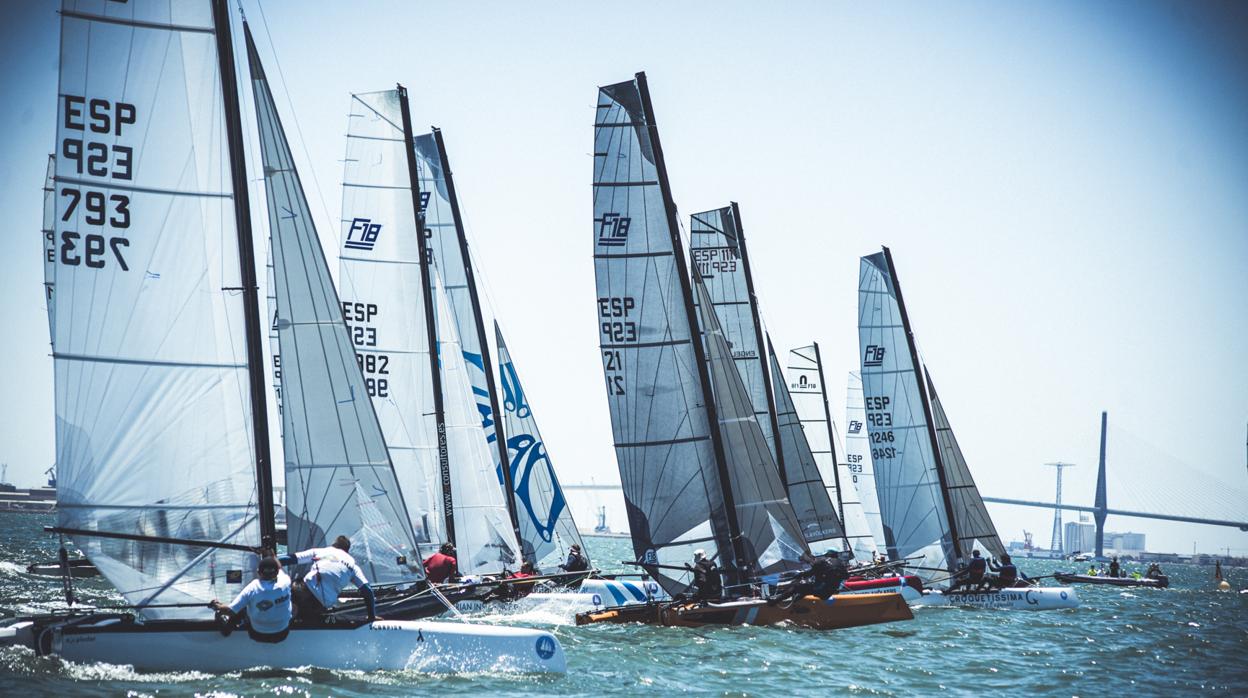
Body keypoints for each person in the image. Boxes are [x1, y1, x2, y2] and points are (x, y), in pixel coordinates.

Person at [280, 535, 377, 623]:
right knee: (308, 614)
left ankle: (284, 613)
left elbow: (291, 558)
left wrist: (270, 562)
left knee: (296, 582)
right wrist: (371, 617)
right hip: (320, 604)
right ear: (347, 551)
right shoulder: (353, 567)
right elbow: (367, 591)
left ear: (334, 545)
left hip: (303, 591)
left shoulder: (321, 551)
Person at [209, 556, 292, 642]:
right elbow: (279, 566)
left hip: (258, 634)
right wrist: (270, 554)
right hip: (282, 634)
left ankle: (226, 630)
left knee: (241, 607)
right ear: (277, 572)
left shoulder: (253, 587)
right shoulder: (285, 581)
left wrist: (217, 605)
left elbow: (231, 611)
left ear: (258, 572)